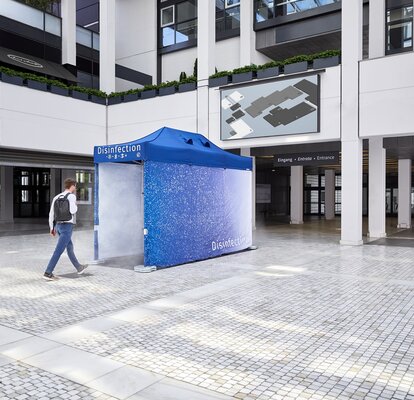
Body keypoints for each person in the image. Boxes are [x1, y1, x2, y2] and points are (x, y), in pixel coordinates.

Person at [43, 178, 88, 281]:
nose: (75, 188)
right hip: (67, 227)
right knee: (58, 250)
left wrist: (52, 228)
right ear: (72, 186)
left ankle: (79, 268)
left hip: (58, 226)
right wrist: (76, 205)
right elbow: (73, 210)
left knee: (69, 247)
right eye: (75, 186)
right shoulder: (71, 196)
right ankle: (48, 272)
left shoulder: (57, 197)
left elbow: (51, 214)